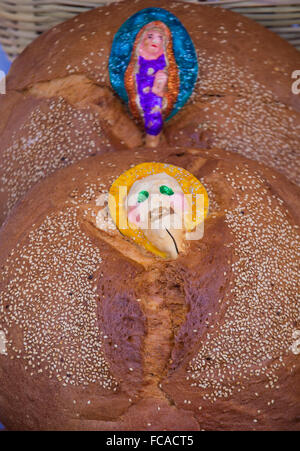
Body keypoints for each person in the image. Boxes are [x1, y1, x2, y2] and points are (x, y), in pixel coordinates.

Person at [125, 21, 179, 147]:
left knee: (155, 118)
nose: (155, 41)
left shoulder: (164, 62)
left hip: (155, 97)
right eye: (150, 36)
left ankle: (152, 144)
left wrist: (162, 81)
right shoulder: (136, 60)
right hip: (139, 94)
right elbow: (129, 78)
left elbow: (171, 84)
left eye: (160, 38)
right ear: (141, 39)